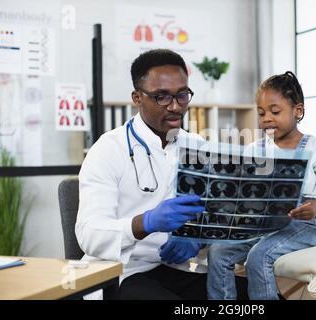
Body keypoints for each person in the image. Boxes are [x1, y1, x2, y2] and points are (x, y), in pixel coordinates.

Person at [75, 49, 247, 299]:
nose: (176, 106)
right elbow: (89, 234)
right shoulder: (108, 149)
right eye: (162, 97)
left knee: (258, 295)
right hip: (123, 272)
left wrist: (198, 239)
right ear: (137, 97)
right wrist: (143, 223)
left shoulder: (197, 147)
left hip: (176, 268)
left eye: (182, 95)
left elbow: (217, 213)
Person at [206, 71, 316, 300]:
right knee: (218, 252)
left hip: (306, 223)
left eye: (275, 111)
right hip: (265, 221)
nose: (266, 117)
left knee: (259, 256)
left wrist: (315, 207)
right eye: (261, 113)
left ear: (298, 111)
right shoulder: (255, 150)